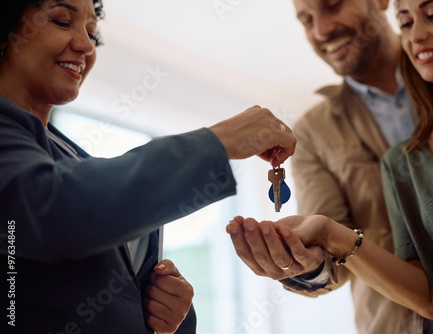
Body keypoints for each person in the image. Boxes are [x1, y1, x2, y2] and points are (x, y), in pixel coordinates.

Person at [0, 1, 296, 333]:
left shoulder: (72, 158)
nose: (85, 46)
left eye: (92, 34)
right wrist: (216, 142)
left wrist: (167, 311)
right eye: (62, 21)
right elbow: (47, 210)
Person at [232, 0, 433, 332]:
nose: (320, 30)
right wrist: (306, 258)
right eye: (306, 20)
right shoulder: (316, 133)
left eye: (332, 5)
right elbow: (329, 253)